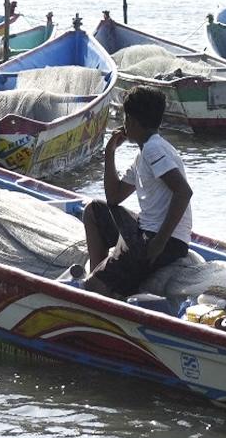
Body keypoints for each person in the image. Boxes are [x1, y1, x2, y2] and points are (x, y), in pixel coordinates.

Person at [83, 86, 194, 298]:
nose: (124, 124)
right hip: (147, 230)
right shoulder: (143, 154)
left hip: (164, 241)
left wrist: (159, 243)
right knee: (94, 211)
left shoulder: (154, 149)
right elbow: (114, 197)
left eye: (125, 118)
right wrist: (109, 152)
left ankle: (101, 286)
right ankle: (103, 275)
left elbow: (183, 192)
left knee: (92, 289)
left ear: (132, 121)